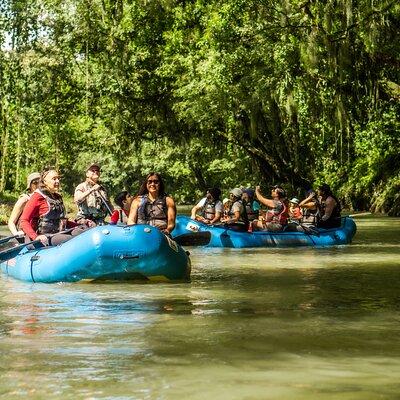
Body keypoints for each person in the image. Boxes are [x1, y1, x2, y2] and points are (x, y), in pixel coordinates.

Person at [19, 168, 87, 246]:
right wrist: (35, 237)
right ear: (44, 181)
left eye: (58, 178)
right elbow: (23, 220)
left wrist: (79, 226)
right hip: (44, 237)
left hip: (59, 233)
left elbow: (59, 221)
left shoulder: (57, 197)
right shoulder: (37, 197)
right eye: (54, 179)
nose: (57, 181)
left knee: (82, 231)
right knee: (70, 239)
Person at [8, 172, 40, 236]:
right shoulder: (24, 200)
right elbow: (11, 222)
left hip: (38, 233)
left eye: (40, 182)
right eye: (35, 183)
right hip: (24, 234)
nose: (38, 185)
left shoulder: (44, 198)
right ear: (30, 185)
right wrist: (16, 233)